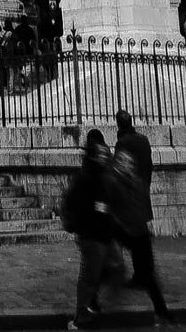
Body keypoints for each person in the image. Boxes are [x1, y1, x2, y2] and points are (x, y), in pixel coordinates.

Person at [109, 111, 173, 321]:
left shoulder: (123, 145)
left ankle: (122, 275)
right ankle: (143, 280)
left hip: (129, 203)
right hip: (142, 189)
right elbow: (149, 164)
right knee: (140, 245)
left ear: (119, 124)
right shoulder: (144, 140)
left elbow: (118, 172)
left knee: (122, 239)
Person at [61, 129, 116, 330]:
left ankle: (90, 305)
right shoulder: (88, 178)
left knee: (105, 270)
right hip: (92, 234)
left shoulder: (100, 175)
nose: (104, 157)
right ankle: (82, 315)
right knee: (91, 274)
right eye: (100, 155)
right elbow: (76, 203)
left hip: (100, 233)